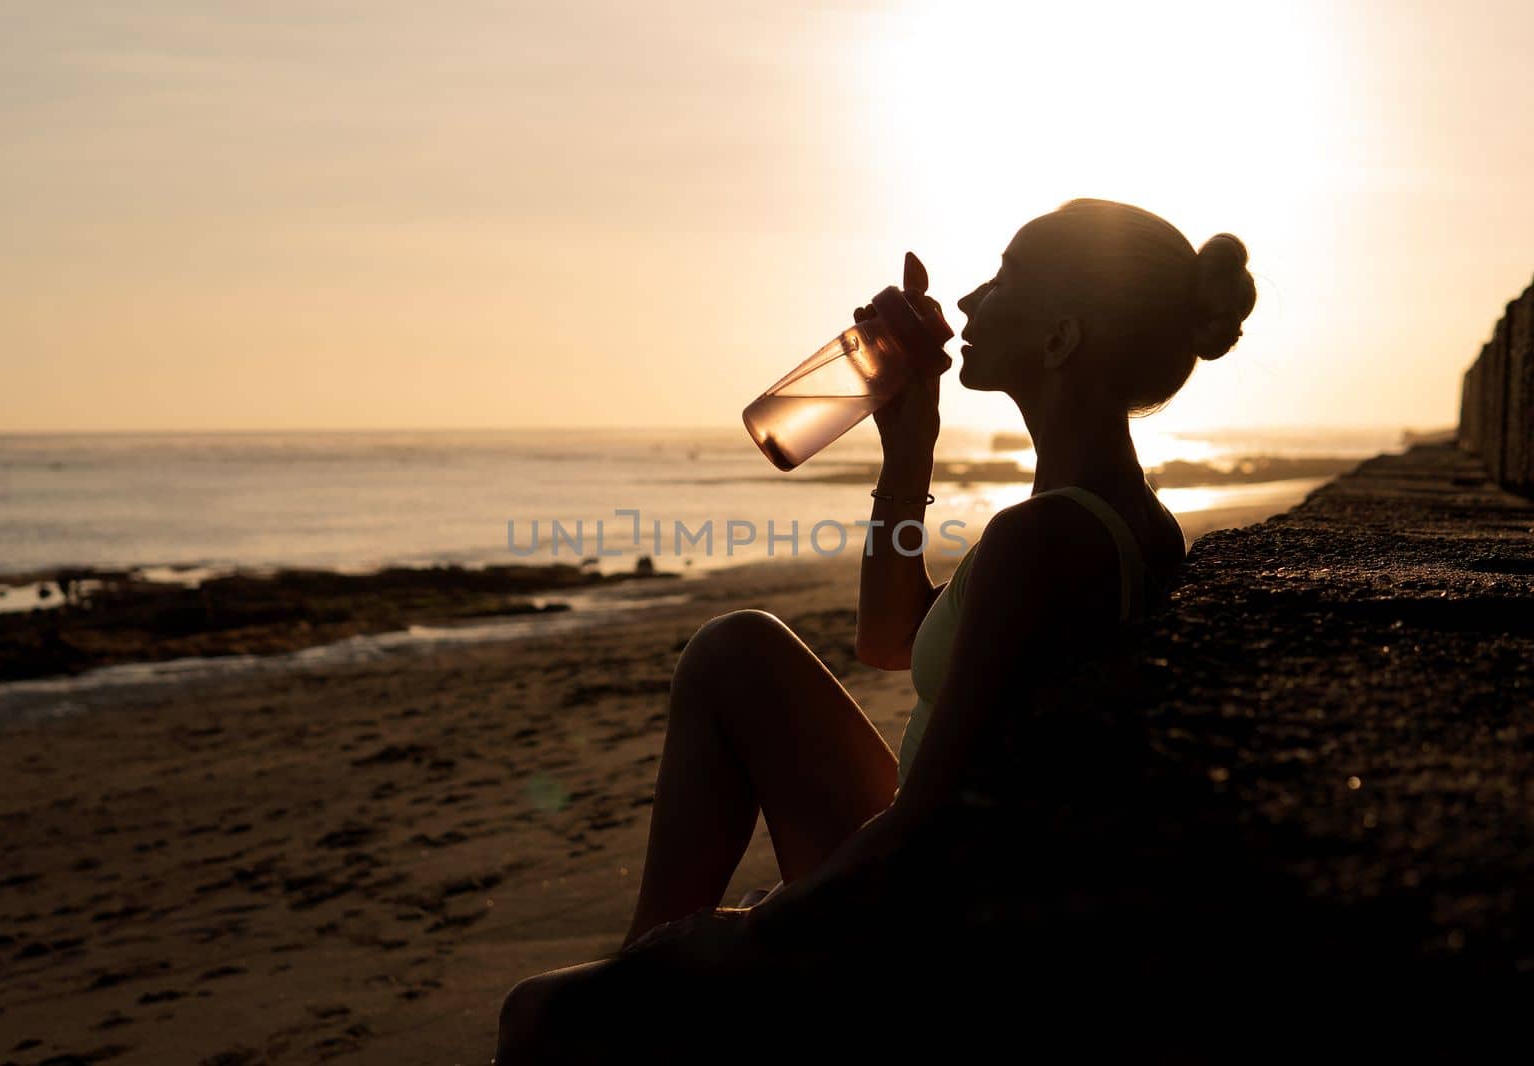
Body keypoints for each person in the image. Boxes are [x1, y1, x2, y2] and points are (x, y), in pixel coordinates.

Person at [494, 198, 1258, 1063]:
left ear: (1059, 340)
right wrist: (909, 447)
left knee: (535, 1017)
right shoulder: (1113, 517)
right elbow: (892, 639)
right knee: (736, 649)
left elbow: (926, 827)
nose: (968, 301)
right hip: (965, 875)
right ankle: (646, 990)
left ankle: (646, 990)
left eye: (1006, 278)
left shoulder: (1048, 539)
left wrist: (745, 932)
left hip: (932, 925)